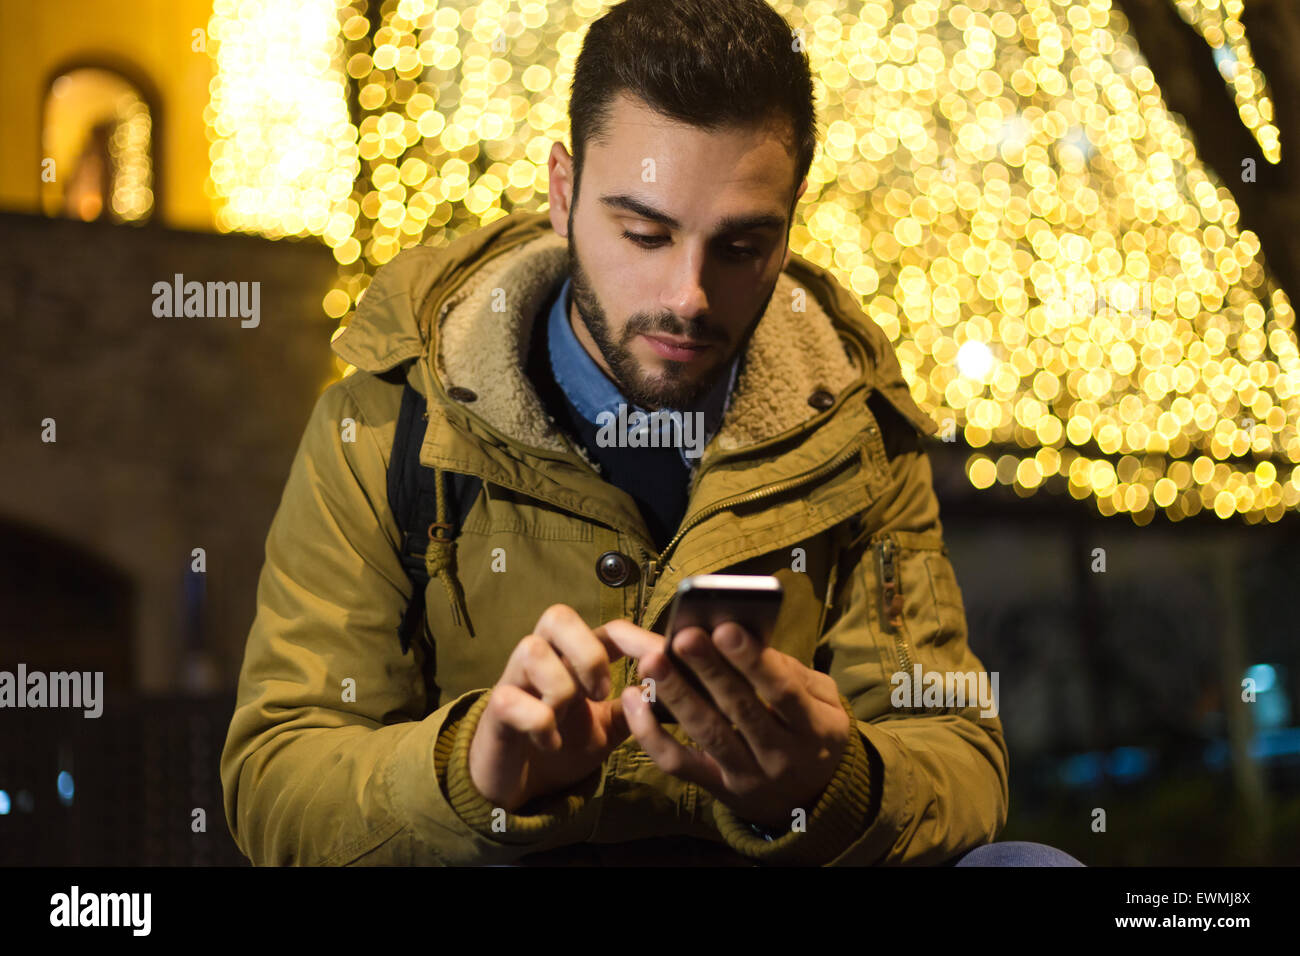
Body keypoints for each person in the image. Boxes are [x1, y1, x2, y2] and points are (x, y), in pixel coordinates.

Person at [220, 0, 1080, 867]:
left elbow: (955, 754)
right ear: (563, 194)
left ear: (790, 224)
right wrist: (469, 773)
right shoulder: (384, 421)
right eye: (643, 232)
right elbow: (276, 776)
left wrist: (837, 779)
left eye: (742, 245)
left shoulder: (853, 428)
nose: (689, 297)